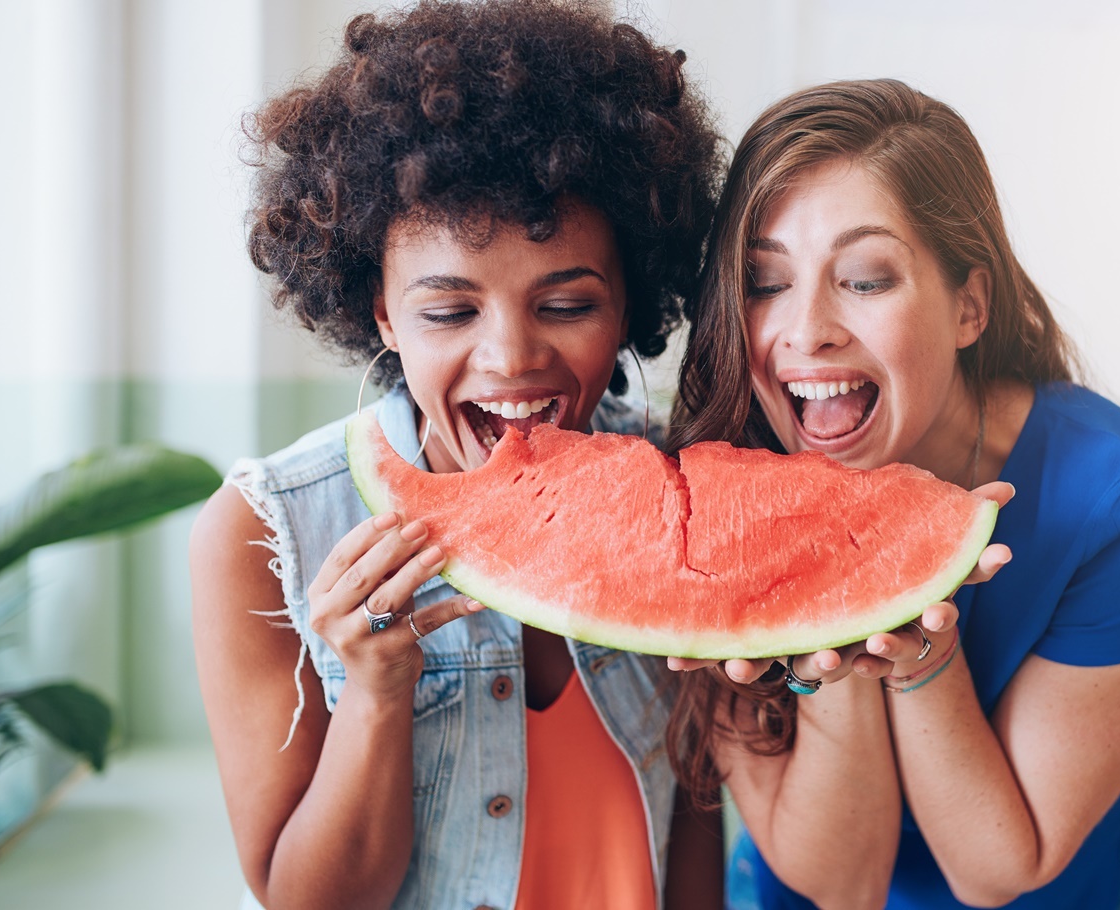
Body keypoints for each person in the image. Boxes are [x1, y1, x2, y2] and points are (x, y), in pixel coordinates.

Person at [187, 3, 724, 908]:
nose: (511, 359)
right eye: (448, 311)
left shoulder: (684, 491)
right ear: (381, 313)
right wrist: (377, 689)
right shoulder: (265, 532)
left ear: (630, 300)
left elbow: (694, 824)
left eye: (566, 305)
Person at [664, 79, 1120, 909]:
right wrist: (833, 640)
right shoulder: (714, 477)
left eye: (866, 279)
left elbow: (1000, 869)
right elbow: (841, 887)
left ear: (968, 307)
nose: (805, 329)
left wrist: (920, 649)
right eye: (765, 282)